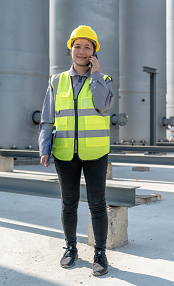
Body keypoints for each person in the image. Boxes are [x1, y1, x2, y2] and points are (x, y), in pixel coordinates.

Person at [38, 25, 114, 276]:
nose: (82, 51)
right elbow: (48, 118)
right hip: (64, 152)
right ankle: (71, 248)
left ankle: (100, 253)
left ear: (94, 52)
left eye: (87, 47)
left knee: (97, 204)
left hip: (95, 152)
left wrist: (95, 75)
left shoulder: (104, 80)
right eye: (77, 46)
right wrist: (44, 146)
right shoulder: (57, 81)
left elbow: (104, 106)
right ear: (70, 49)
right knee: (68, 202)